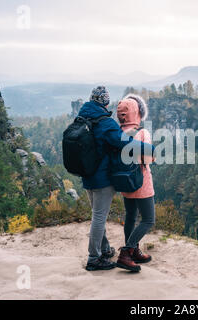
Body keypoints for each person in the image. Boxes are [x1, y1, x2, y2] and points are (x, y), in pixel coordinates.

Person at [78, 87, 155, 271]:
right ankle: (98, 257)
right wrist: (147, 149)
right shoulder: (106, 123)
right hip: (104, 177)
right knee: (101, 217)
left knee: (120, 216)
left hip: (87, 174)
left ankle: (106, 250)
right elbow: (125, 143)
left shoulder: (83, 119)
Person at [115, 94, 156, 273]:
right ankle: (127, 252)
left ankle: (134, 252)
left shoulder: (117, 133)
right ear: (137, 113)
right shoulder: (142, 132)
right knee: (148, 219)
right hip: (142, 182)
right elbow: (147, 158)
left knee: (130, 216)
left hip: (124, 181)